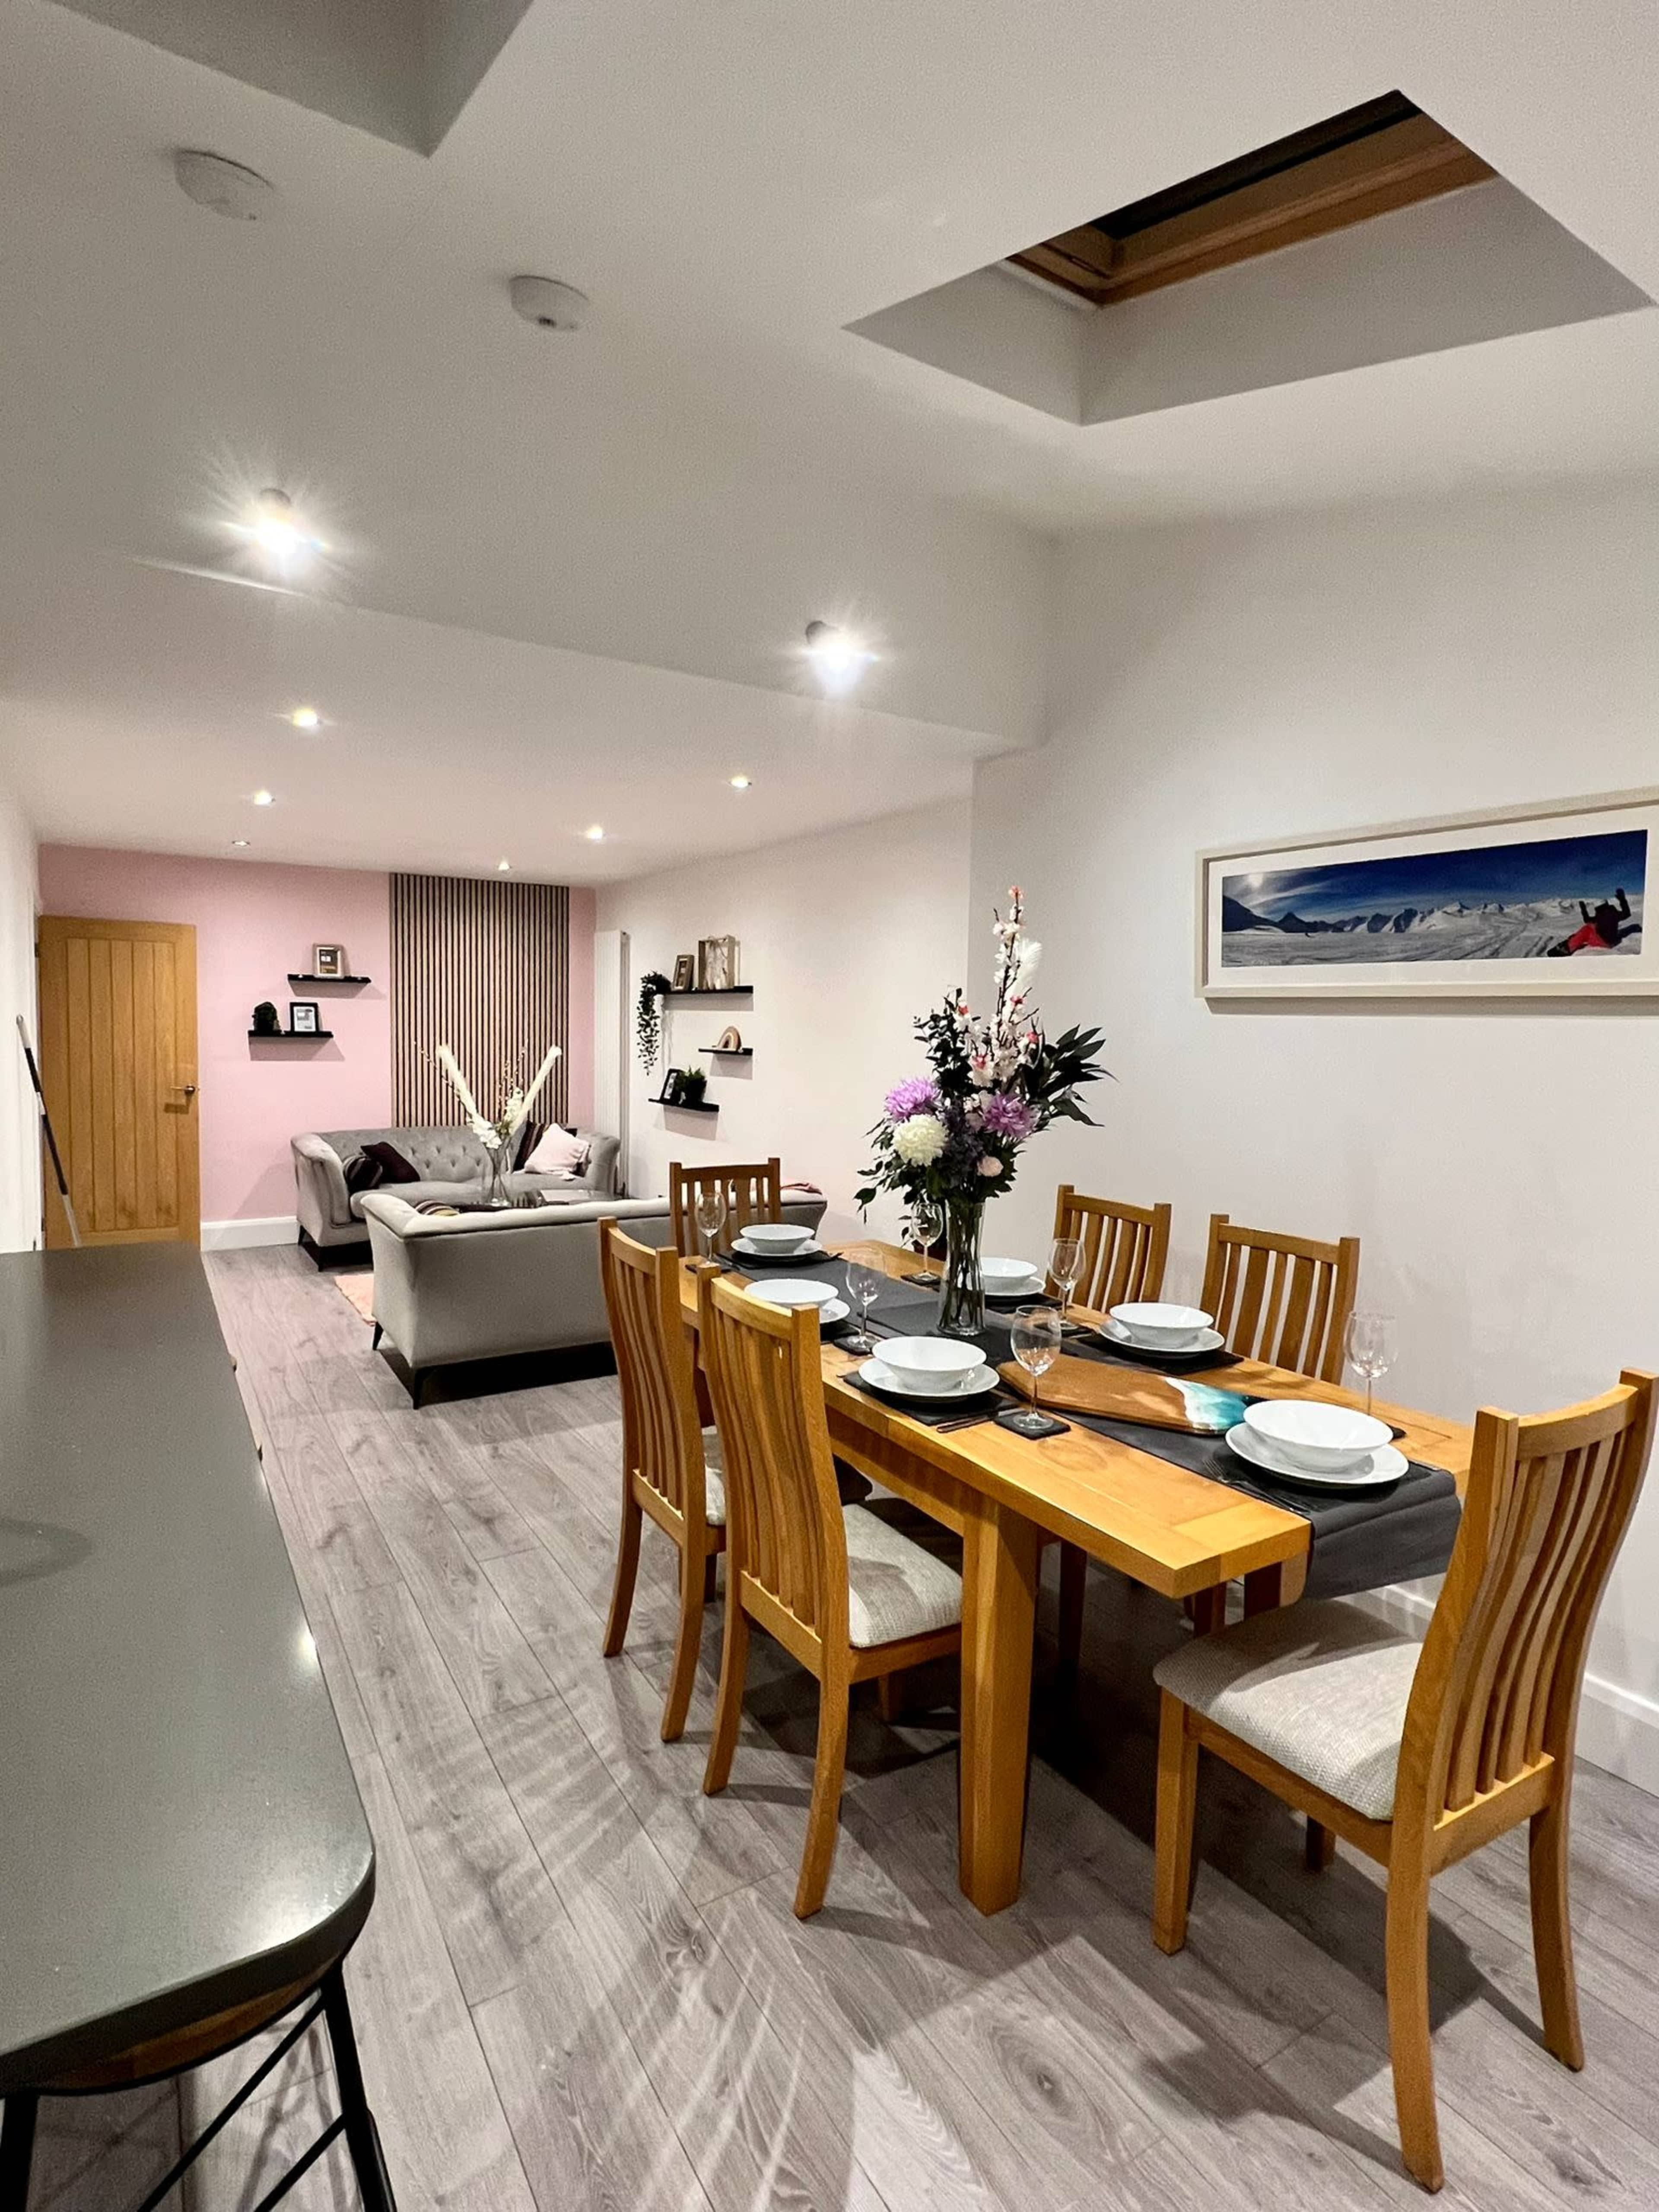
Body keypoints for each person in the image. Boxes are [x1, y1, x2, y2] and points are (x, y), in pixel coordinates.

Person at [1548, 887, 1634, 957]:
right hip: (1611, 942)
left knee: (1587, 929)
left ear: (1598, 908)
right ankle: (1574, 940)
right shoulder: (1614, 913)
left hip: (1604, 943)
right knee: (1590, 929)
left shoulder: (1600, 915)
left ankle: (1568, 949)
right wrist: (1623, 900)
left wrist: (1584, 910)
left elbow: (1587, 921)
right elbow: (1627, 914)